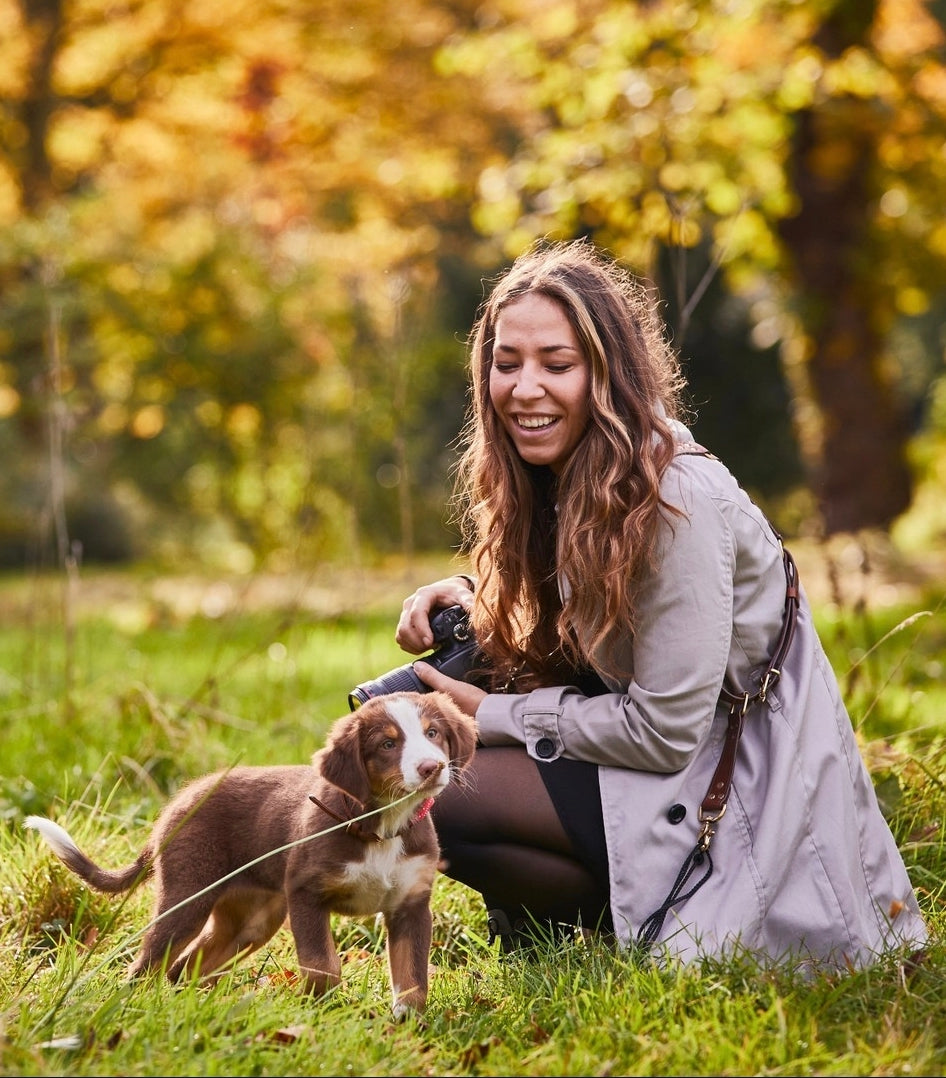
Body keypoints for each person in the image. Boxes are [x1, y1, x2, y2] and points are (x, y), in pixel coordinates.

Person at [394, 238, 927, 969]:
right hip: (665, 775)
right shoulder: (556, 475)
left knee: (422, 791)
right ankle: (602, 921)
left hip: (733, 796)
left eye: (557, 364)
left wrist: (491, 719)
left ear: (607, 375)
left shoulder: (676, 497)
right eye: (506, 362)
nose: (524, 389)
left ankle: (654, 911)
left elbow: (665, 731)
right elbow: (579, 638)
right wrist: (465, 597)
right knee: (390, 760)